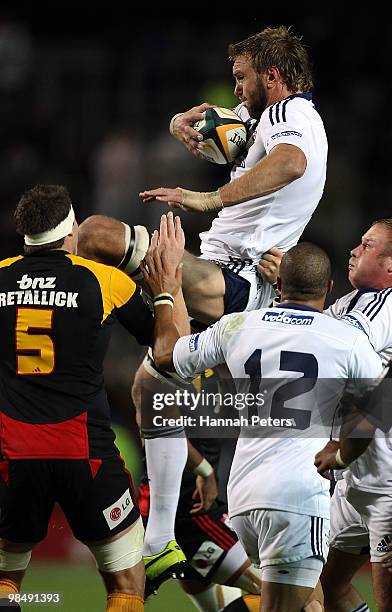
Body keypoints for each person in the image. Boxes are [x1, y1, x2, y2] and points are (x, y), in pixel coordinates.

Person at [80, 25, 328, 590]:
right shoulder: (267, 120)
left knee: (99, 236)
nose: (235, 90)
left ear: (273, 75)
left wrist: (207, 197)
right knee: (151, 382)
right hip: (213, 275)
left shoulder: (297, 116)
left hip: (231, 283)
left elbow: (288, 163)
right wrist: (180, 125)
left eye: (242, 78)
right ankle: (162, 538)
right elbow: (233, 135)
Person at [141, 238, 382, 612]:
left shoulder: (237, 325)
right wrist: (341, 458)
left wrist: (165, 293)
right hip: (297, 498)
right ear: (330, 288)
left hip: (242, 498)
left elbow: (166, 355)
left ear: (279, 285)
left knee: (312, 602)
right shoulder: (349, 340)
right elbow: (372, 415)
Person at [0, 186, 185, 612]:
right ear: (71, 232)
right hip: (85, 452)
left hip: (15, 452)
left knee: (7, 579)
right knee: (126, 582)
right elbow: (166, 351)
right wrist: (165, 287)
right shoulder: (103, 279)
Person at [258, 219, 392, 612]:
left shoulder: (385, 309)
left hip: (386, 484)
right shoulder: (350, 302)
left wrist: (295, 284)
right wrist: (293, 285)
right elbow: (312, 328)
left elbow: (327, 343)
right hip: (354, 483)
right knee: (327, 591)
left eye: (367, 246)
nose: (353, 250)